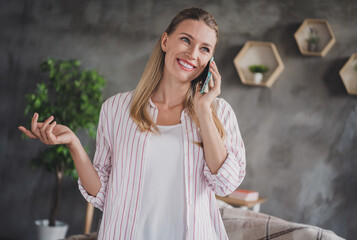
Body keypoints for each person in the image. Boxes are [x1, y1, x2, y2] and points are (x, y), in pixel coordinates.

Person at [19, 7, 246, 240]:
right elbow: (103, 194)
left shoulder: (220, 112)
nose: (193, 54)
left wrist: (203, 110)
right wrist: (74, 144)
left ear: (210, 60)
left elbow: (225, 184)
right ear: (165, 41)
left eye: (204, 49)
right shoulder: (116, 109)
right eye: (186, 40)